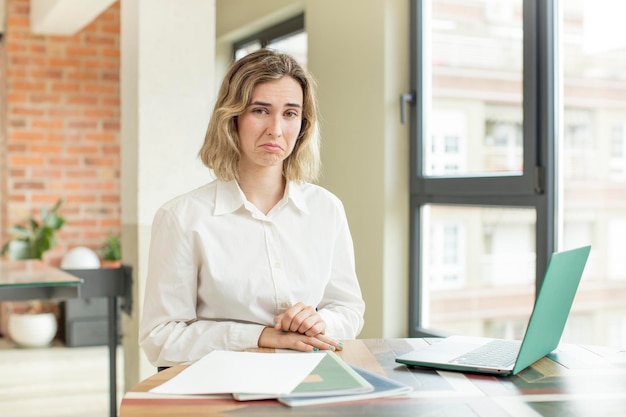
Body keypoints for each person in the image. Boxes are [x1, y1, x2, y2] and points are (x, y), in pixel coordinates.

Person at [139, 48, 365, 367]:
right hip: (218, 388)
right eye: (260, 110)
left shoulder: (327, 209)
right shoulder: (182, 218)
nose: (276, 129)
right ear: (232, 118)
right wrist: (258, 337)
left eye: (290, 113)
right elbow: (160, 337)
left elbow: (348, 310)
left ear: (303, 124)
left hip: (308, 376)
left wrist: (321, 323)